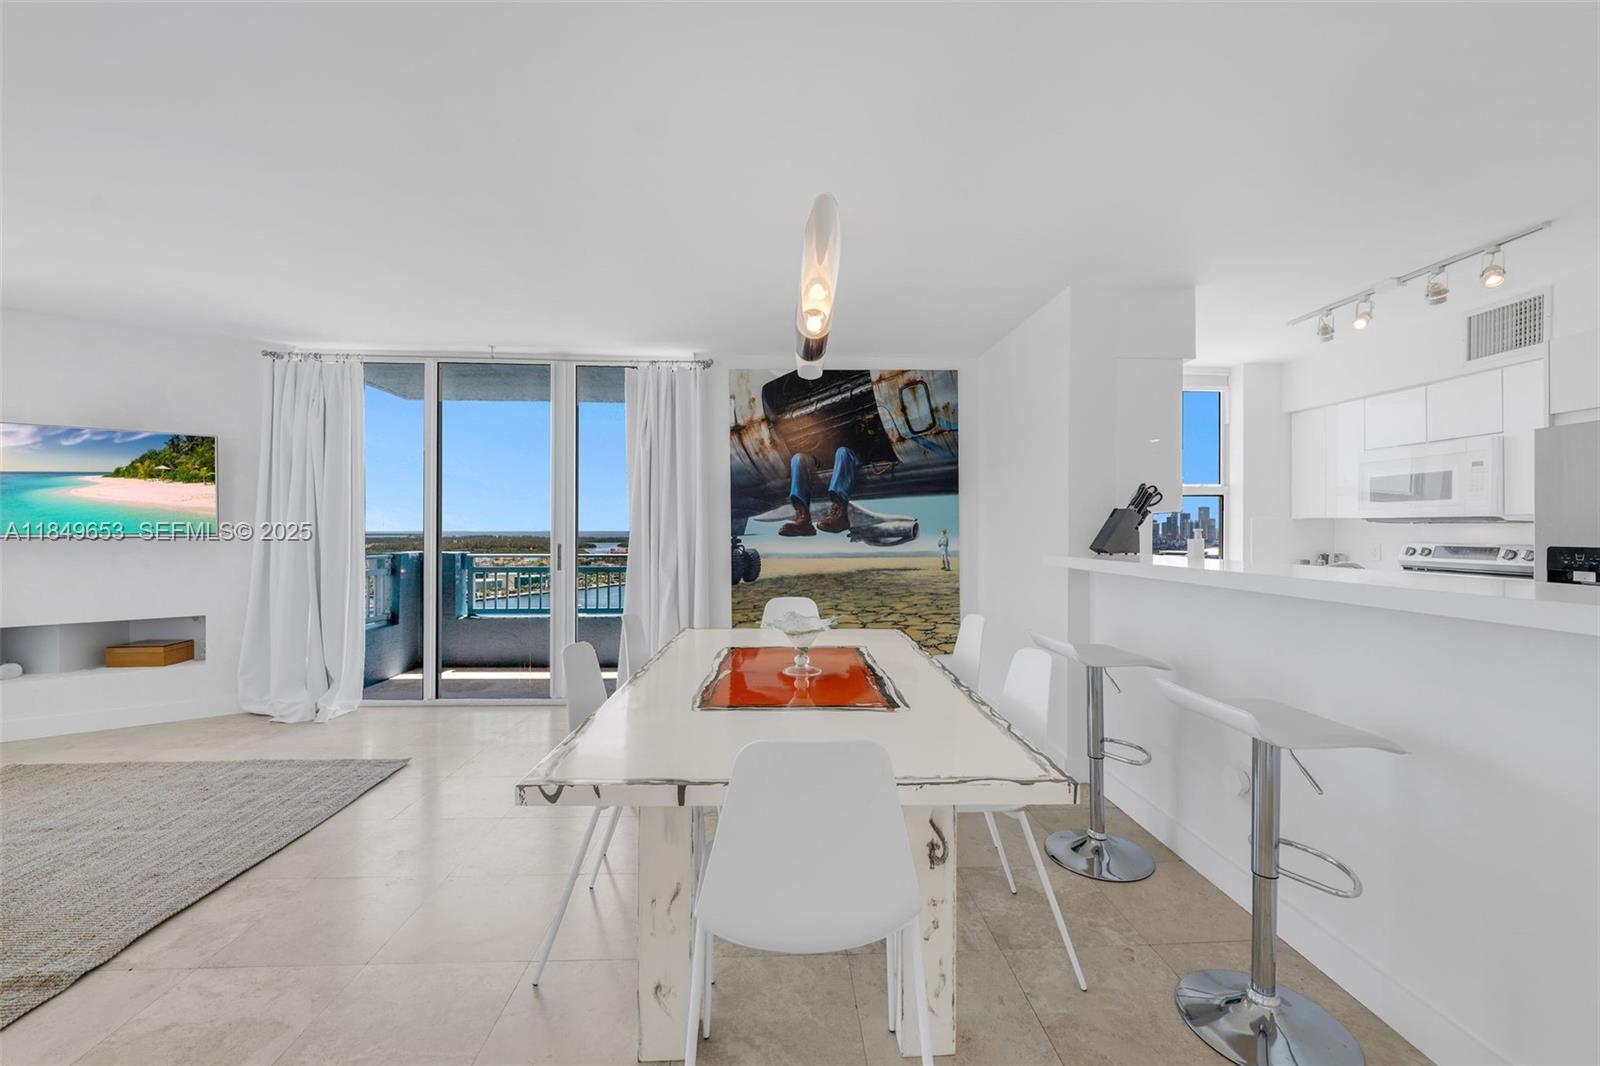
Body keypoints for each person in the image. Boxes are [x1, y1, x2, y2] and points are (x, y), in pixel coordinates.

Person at [779, 445, 859, 536]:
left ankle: (840, 514)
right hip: (824, 457)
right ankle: (803, 518)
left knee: (842, 451)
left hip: (851, 454)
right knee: (798, 458)